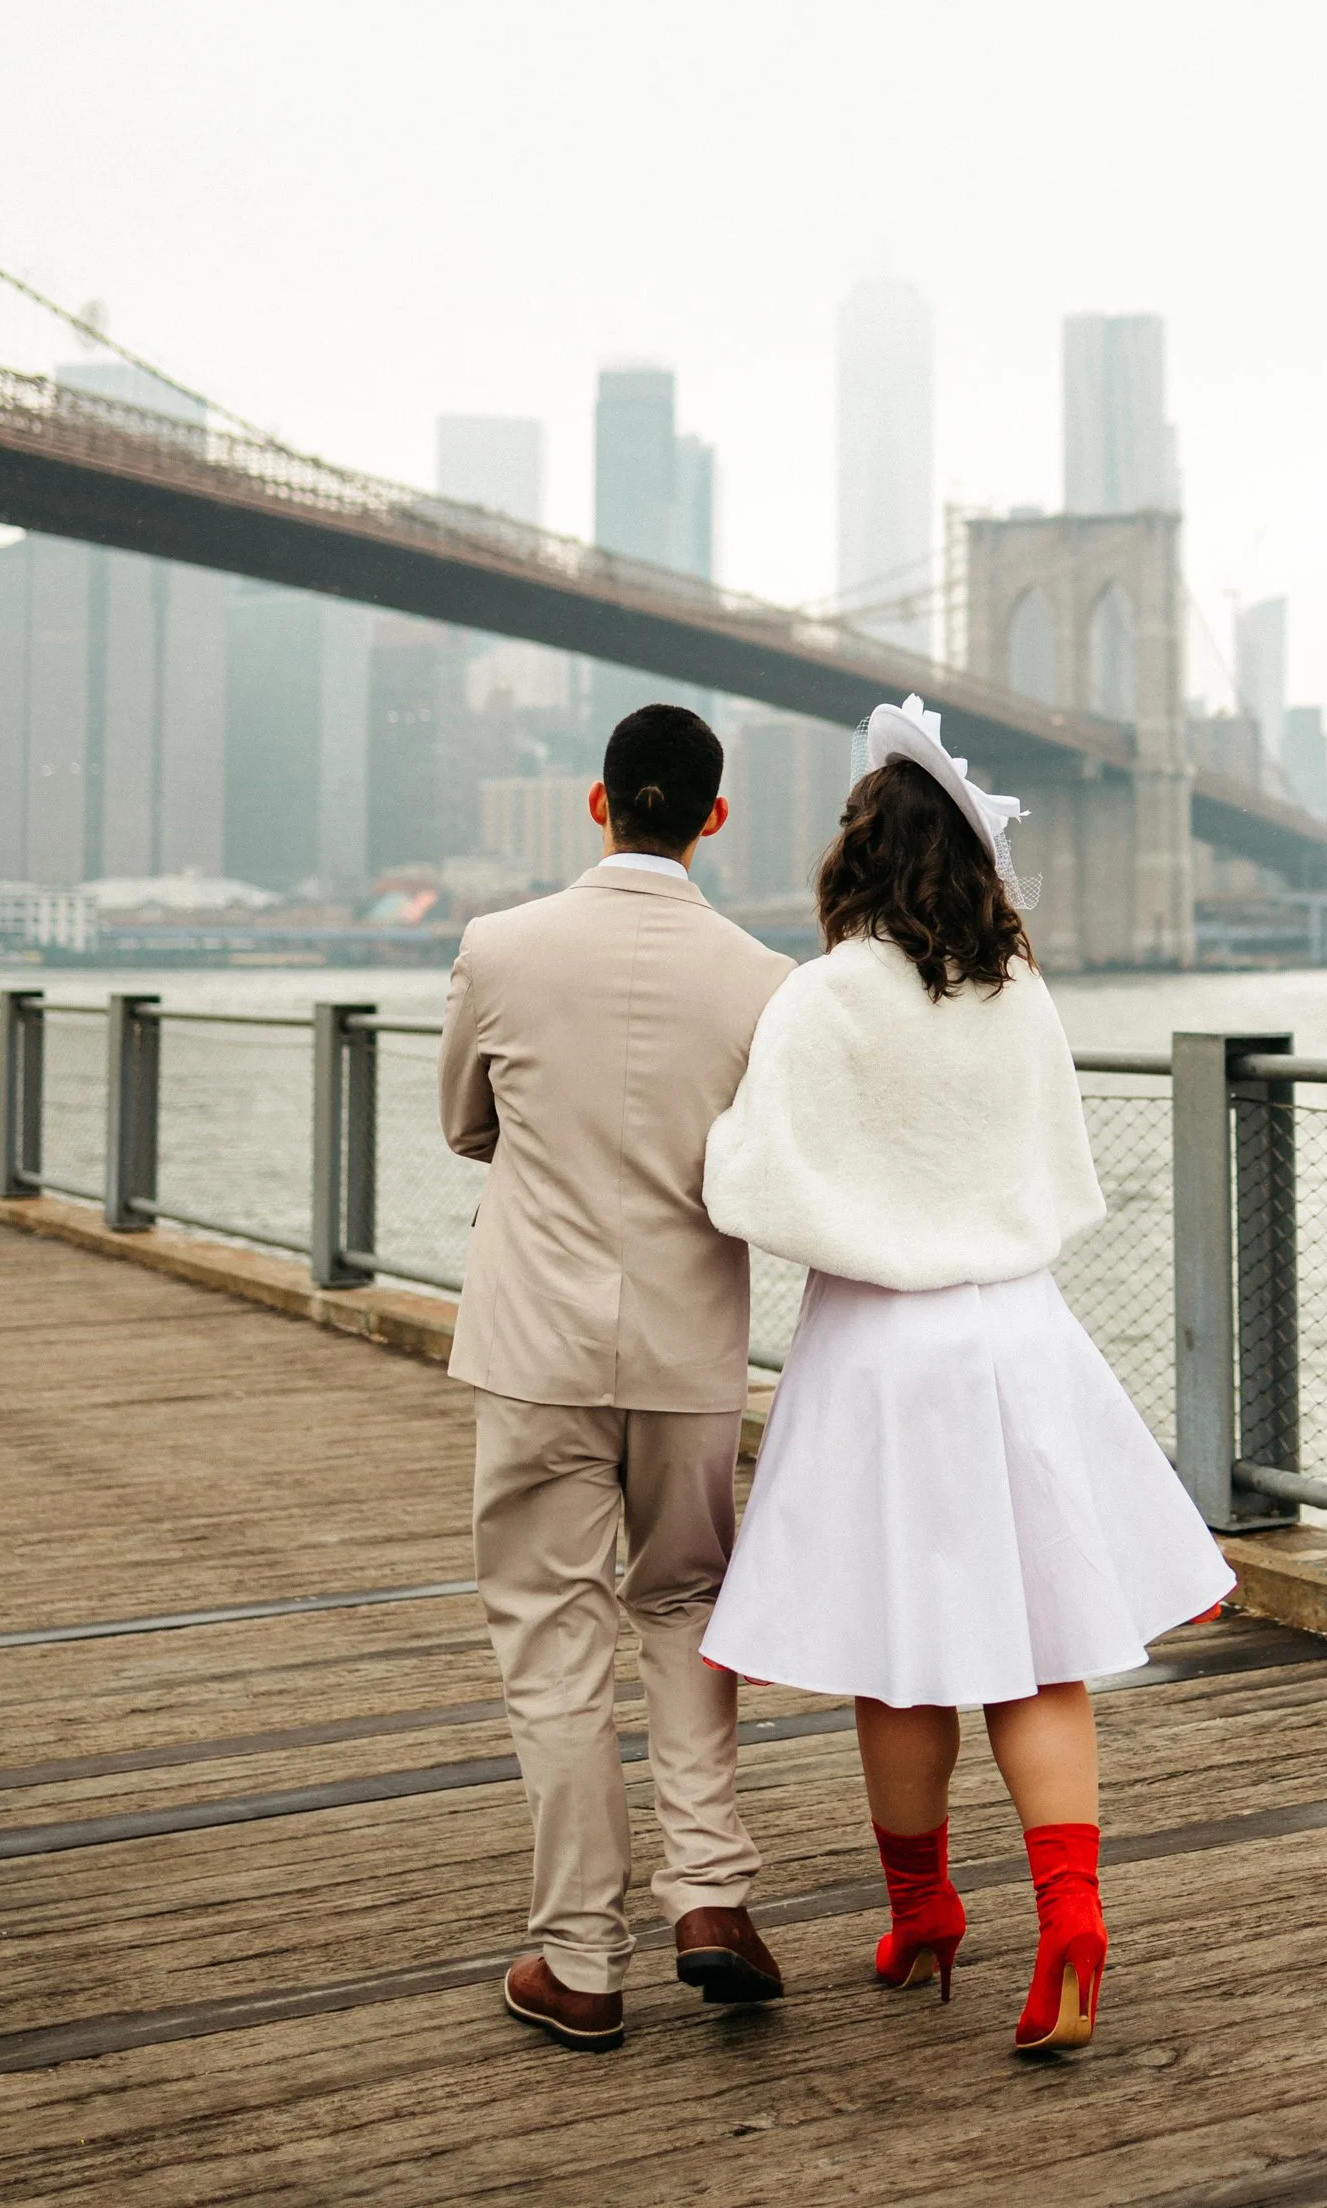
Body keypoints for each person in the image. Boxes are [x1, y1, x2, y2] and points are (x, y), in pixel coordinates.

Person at [700, 694, 1234, 2055]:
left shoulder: (823, 997)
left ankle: (924, 1908)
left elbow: (751, 1180)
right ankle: (1071, 1917)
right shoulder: (1020, 995)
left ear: (859, 855)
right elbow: (1060, 1168)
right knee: (1038, 1655)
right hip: (1019, 1340)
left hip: (884, 1354)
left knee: (904, 1658)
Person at [439, 701, 793, 2054]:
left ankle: (582, 1959)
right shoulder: (765, 981)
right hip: (688, 1347)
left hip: (537, 1340)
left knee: (553, 1631)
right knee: (691, 1602)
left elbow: (466, 1123)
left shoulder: (499, 947)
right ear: (714, 819)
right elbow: (763, 1166)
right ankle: (710, 1899)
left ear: (597, 803)